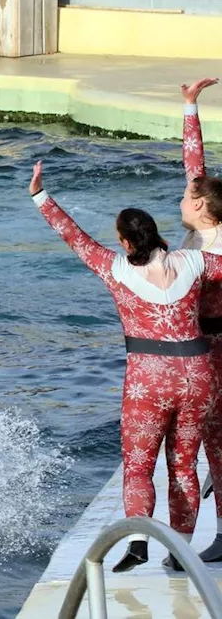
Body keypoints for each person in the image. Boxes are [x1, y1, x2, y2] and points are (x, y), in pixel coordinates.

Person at [30, 159, 221, 574]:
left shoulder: (113, 268)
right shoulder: (196, 262)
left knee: (138, 465)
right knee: (184, 465)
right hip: (198, 374)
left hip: (149, 379)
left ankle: (138, 543)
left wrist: (40, 196)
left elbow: (74, 238)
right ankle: (181, 552)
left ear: (125, 242)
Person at [179, 77, 222, 564]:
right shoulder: (203, 236)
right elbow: (196, 169)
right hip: (202, 350)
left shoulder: (213, 251)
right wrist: (190, 107)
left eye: (189, 197)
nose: (181, 199)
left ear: (202, 207)